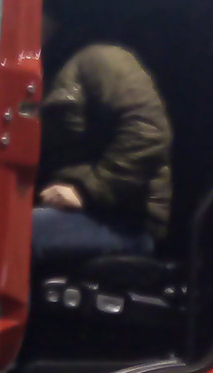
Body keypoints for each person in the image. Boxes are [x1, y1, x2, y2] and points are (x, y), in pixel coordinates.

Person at [33, 13, 173, 266]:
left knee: (12, 236)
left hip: (122, 221)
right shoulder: (52, 69)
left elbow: (149, 132)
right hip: (82, 213)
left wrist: (88, 190)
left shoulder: (101, 59)